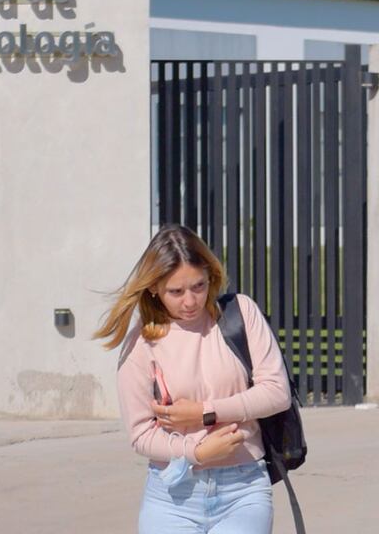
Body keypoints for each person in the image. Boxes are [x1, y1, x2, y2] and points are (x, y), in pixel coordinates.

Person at [94, 224, 291, 533]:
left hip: (243, 490)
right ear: (154, 287)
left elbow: (277, 392)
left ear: (210, 276)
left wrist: (205, 412)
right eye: (176, 291)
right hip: (172, 495)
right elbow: (141, 434)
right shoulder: (140, 343)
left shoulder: (241, 313)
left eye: (199, 286)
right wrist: (196, 452)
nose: (190, 301)